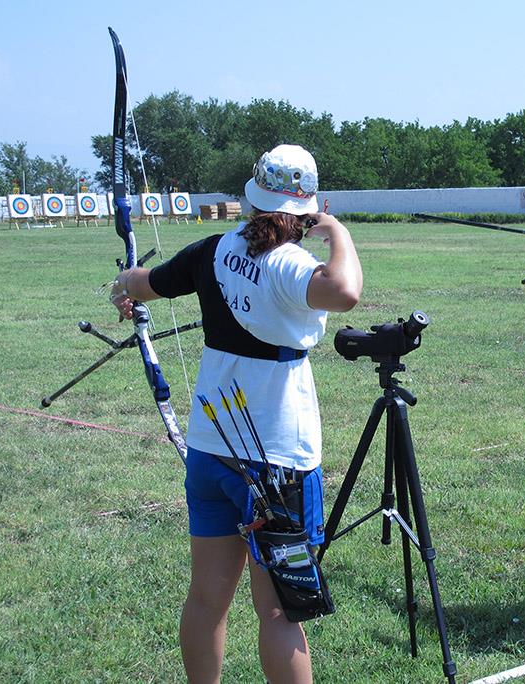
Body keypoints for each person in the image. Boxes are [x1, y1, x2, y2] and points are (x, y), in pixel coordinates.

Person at [110, 144, 362, 683]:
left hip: (209, 449)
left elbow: (143, 282)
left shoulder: (212, 250)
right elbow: (344, 291)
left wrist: (121, 288)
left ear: (251, 199)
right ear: (307, 209)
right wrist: (337, 231)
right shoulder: (291, 262)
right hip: (275, 462)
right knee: (278, 610)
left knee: (207, 600)